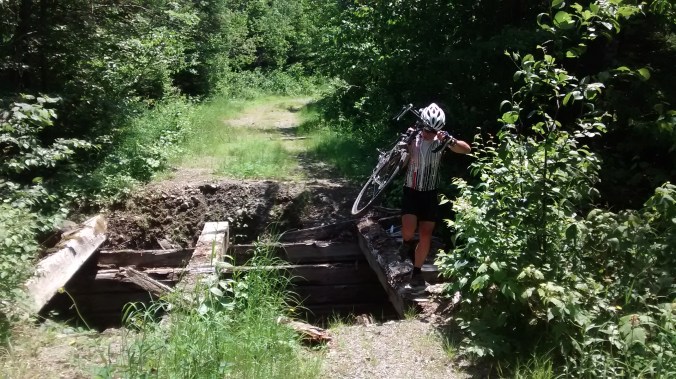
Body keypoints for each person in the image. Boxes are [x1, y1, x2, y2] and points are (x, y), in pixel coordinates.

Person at [399, 103, 471, 295]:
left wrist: (451, 141)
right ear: (422, 125)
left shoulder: (442, 140)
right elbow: (401, 160)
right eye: (427, 129)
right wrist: (404, 144)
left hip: (430, 192)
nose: (430, 133)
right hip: (411, 189)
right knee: (408, 230)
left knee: (425, 234)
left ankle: (416, 272)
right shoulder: (413, 136)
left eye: (434, 130)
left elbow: (466, 149)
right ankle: (406, 244)